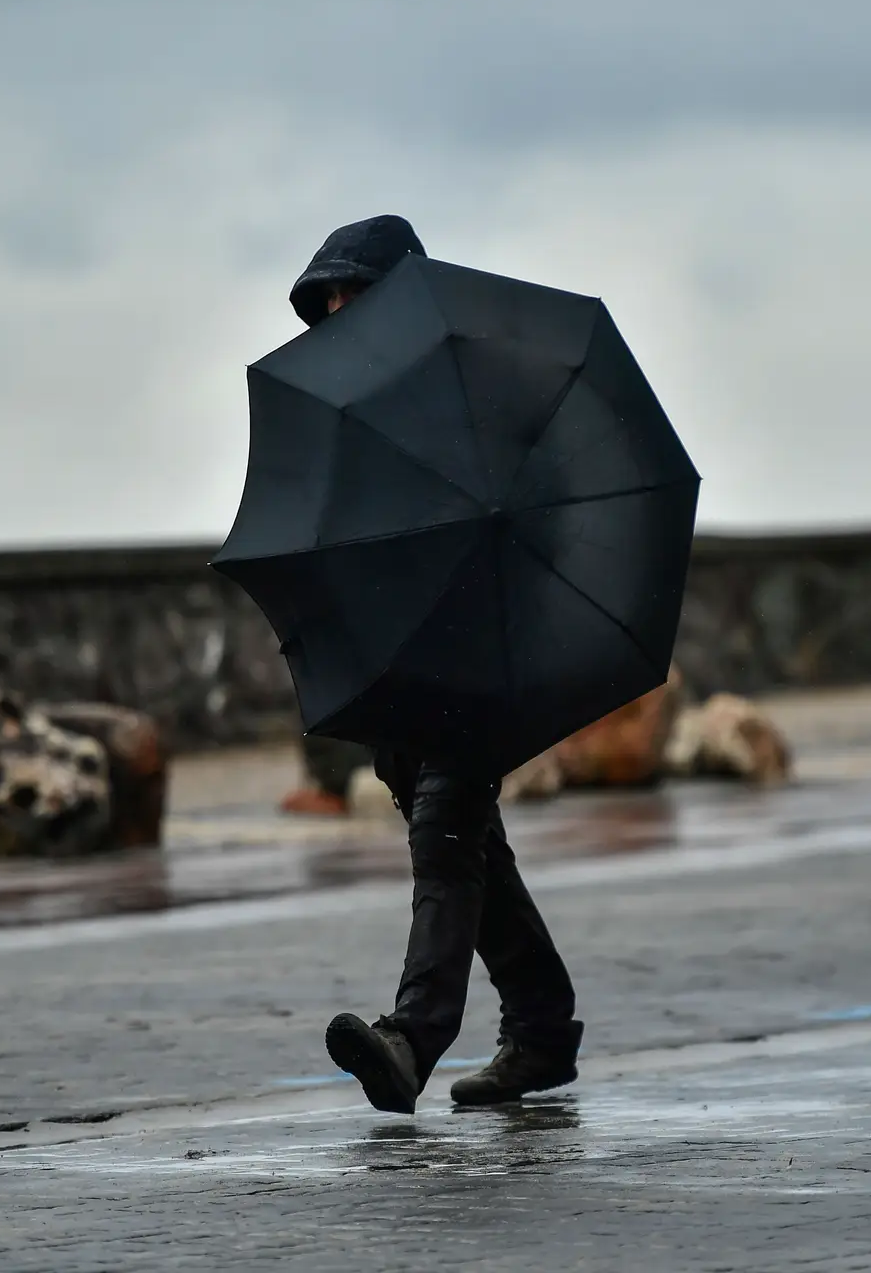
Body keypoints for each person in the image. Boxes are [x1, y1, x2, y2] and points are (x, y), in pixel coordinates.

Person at [284, 215, 585, 1111]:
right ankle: (542, 1026)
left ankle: (413, 1039)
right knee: (468, 841)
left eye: (356, 295)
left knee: (446, 826)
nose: (339, 313)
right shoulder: (351, 418)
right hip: (408, 653)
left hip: (489, 642)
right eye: (328, 301)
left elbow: (549, 495)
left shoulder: (478, 385)